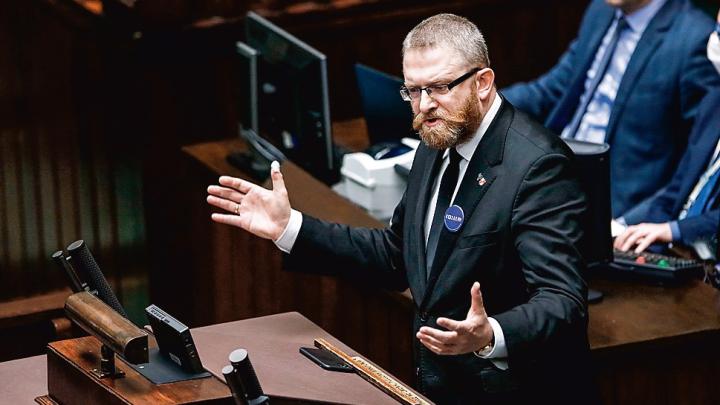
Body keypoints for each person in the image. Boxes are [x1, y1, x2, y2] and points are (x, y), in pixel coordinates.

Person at [207, 14, 594, 403]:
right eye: (413, 91)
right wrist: (289, 227)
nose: (424, 106)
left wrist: (491, 333)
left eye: (439, 87)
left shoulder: (539, 166)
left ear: (482, 82)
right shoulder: (437, 136)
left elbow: (562, 300)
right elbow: (398, 256)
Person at [502, 0, 720, 218]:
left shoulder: (695, 37)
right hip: (553, 170)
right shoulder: (601, 10)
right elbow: (554, 88)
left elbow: (694, 163)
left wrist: (632, 223)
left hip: (611, 205)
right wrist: (489, 102)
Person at [614, 10, 720, 262]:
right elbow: (677, 189)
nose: (716, 41)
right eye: (718, 32)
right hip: (678, 255)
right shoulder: (714, 101)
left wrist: (673, 230)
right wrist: (632, 233)